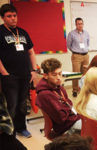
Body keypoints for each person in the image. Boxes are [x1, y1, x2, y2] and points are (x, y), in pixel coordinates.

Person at [0, 4, 38, 138]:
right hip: (10, 76)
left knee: (22, 104)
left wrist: (34, 70)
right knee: (12, 104)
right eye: (9, 16)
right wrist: (4, 73)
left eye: (14, 15)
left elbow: (31, 52)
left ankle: (22, 128)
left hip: (25, 75)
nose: (13, 19)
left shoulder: (23, 32)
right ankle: (10, 132)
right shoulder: (0, 32)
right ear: (3, 18)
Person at [36, 58, 81, 135]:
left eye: (60, 74)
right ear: (45, 76)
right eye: (54, 75)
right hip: (66, 127)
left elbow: (68, 104)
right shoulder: (45, 94)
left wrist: (65, 107)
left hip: (72, 119)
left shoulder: (58, 87)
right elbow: (62, 118)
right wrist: (67, 107)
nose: (59, 78)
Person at [67, 17, 90, 97]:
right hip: (76, 55)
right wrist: (75, 51)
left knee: (85, 74)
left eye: (81, 23)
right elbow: (69, 45)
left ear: (83, 24)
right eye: (78, 24)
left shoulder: (86, 33)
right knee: (76, 74)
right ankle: (75, 90)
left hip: (86, 56)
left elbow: (88, 43)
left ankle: (84, 89)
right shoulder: (71, 34)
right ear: (76, 24)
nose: (80, 25)